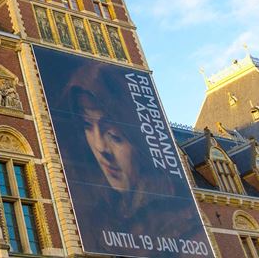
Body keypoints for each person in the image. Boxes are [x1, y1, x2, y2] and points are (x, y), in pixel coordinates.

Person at [57, 62, 206, 254]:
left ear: (137, 137)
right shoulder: (102, 213)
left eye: (113, 135)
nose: (101, 148)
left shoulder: (182, 218)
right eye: (87, 126)